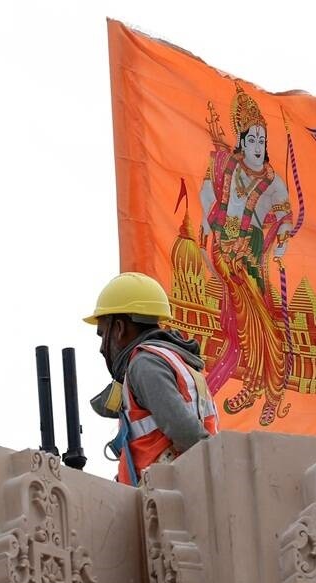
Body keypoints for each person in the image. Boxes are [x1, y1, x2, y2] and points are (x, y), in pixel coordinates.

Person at [199, 82, 295, 426]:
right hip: (227, 253)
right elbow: (208, 193)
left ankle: (273, 393)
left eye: (262, 140)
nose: (257, 146)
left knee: (265, 324)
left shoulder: (272, 182)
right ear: (241, 140)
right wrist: (212, 228)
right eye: (251, 139)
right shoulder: (228, 167)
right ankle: (252, 384)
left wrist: (282, 237)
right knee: (242, 326)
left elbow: (284, 217)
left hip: (251, 255)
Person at [85, 273, 218, 486]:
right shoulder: (178, 362)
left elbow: (184, 430)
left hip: (168, 494)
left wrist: (218, 472)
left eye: (102, 334)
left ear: (119, 329)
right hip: (184, 489)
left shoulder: (144, 364)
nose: (101, 347)